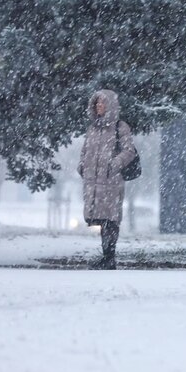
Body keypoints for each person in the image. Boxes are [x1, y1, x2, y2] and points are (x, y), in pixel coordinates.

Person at [77, 89, 135, 270]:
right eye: (97, 103)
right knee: (101, 220)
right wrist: (81, 165)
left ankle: (109, 257)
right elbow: (85, 150)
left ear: (110, 105)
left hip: (111, 182)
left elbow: (129, 151)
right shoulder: (92, 128)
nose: (99, 106)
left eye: (103, 103)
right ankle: (106, 257)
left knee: (110, 220)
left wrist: (115, 163)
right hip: (93, 182)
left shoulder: (120, 127)